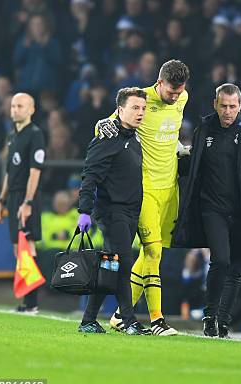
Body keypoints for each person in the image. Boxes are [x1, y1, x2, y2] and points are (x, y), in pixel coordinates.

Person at [172, 83, 241, 338]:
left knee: (236, 268)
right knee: (220, 260)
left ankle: (223, 321)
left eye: (232, 106)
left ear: (240, 106)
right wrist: (175, 155)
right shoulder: (204, 131)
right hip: (213, 209)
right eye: (223, 106)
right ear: (215, 104)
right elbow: (194, 167)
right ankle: (209, 316)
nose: (228, 111)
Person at [96, 60, 190, 336]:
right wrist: (104, 123)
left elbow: (169, 134)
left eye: (179, 91)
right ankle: (157, 319)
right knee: (153, 252)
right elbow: (108, 125)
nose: (174, 96)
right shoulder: (141, 102)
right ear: (159, 83)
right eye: (170, 91)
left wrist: (180, 148)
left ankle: (118, 315)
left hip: (169, 188)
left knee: (153, 255)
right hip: (145, 187)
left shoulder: (183, 98)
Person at [77, 87, 149, 335]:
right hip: (111, 211)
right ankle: (129, 321)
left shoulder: (135, 138)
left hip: (130, 212)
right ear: (120, 110)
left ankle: (88, 320)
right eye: (134, 108)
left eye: (143, 108)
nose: (140, 113)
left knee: (110, 267)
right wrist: (84, 210)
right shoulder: (108, 137)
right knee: (124, 262)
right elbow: (90, 175)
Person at [0, 92, 45, 314]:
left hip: (26, 195)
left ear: (31, 109)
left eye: (20, 106)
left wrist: (28, 202)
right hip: (12, 196)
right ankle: (25, 301)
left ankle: (32, 303)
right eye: (13, 106)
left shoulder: (35, 135)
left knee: (28, 243)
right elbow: (8, 172)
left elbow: (35, 171)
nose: (15, 109)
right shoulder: (12, 135)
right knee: (17, 247)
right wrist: (1, 200)